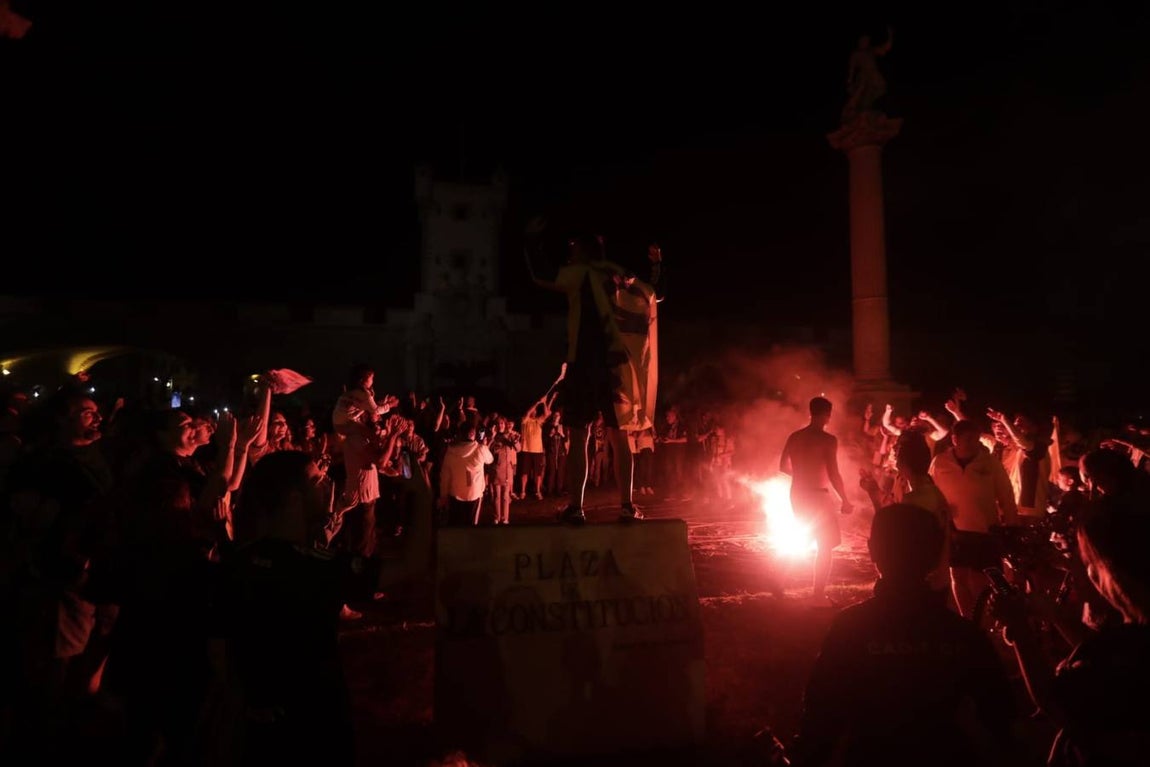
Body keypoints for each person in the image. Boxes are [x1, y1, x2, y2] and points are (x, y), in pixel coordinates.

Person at [789, 503, 1022, 767]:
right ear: (936, 554)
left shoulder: (850, 628)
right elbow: (1001, 717)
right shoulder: (961, 634)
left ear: (872, 550)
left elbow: (820, 717)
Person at [990, 488, 1150, 766]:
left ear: (1114, 571)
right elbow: (1099, 651)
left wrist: (1020, 631)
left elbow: (1056, 703)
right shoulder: (1125, 637)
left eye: (1090, 564)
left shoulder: (1127, 648)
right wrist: (1057, 616)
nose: (1086, 574)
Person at [528, 230, 661, 524]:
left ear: (585, 252)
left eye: (573, 247)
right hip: (616, 368)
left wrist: (533, 241)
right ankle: (627, 506)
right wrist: (655, 267)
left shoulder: (580, 273)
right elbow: (652, 294)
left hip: (585, 363)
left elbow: (541, 275)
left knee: (579, 435)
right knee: (619, 436)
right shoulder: (617, 273)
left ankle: (577, 508)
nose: (570, 252)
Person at [779, 396, 852, 605]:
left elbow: (782, 466)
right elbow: (833, 473)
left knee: (806, 538)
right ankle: (818, 595)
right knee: (825, 545)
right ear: (827, 415)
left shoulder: (795, 436)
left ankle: (779, 577)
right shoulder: (828, 440)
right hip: (817, 495)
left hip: (797, 493)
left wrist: (802, 474)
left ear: (811, 412)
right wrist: (845, 499)